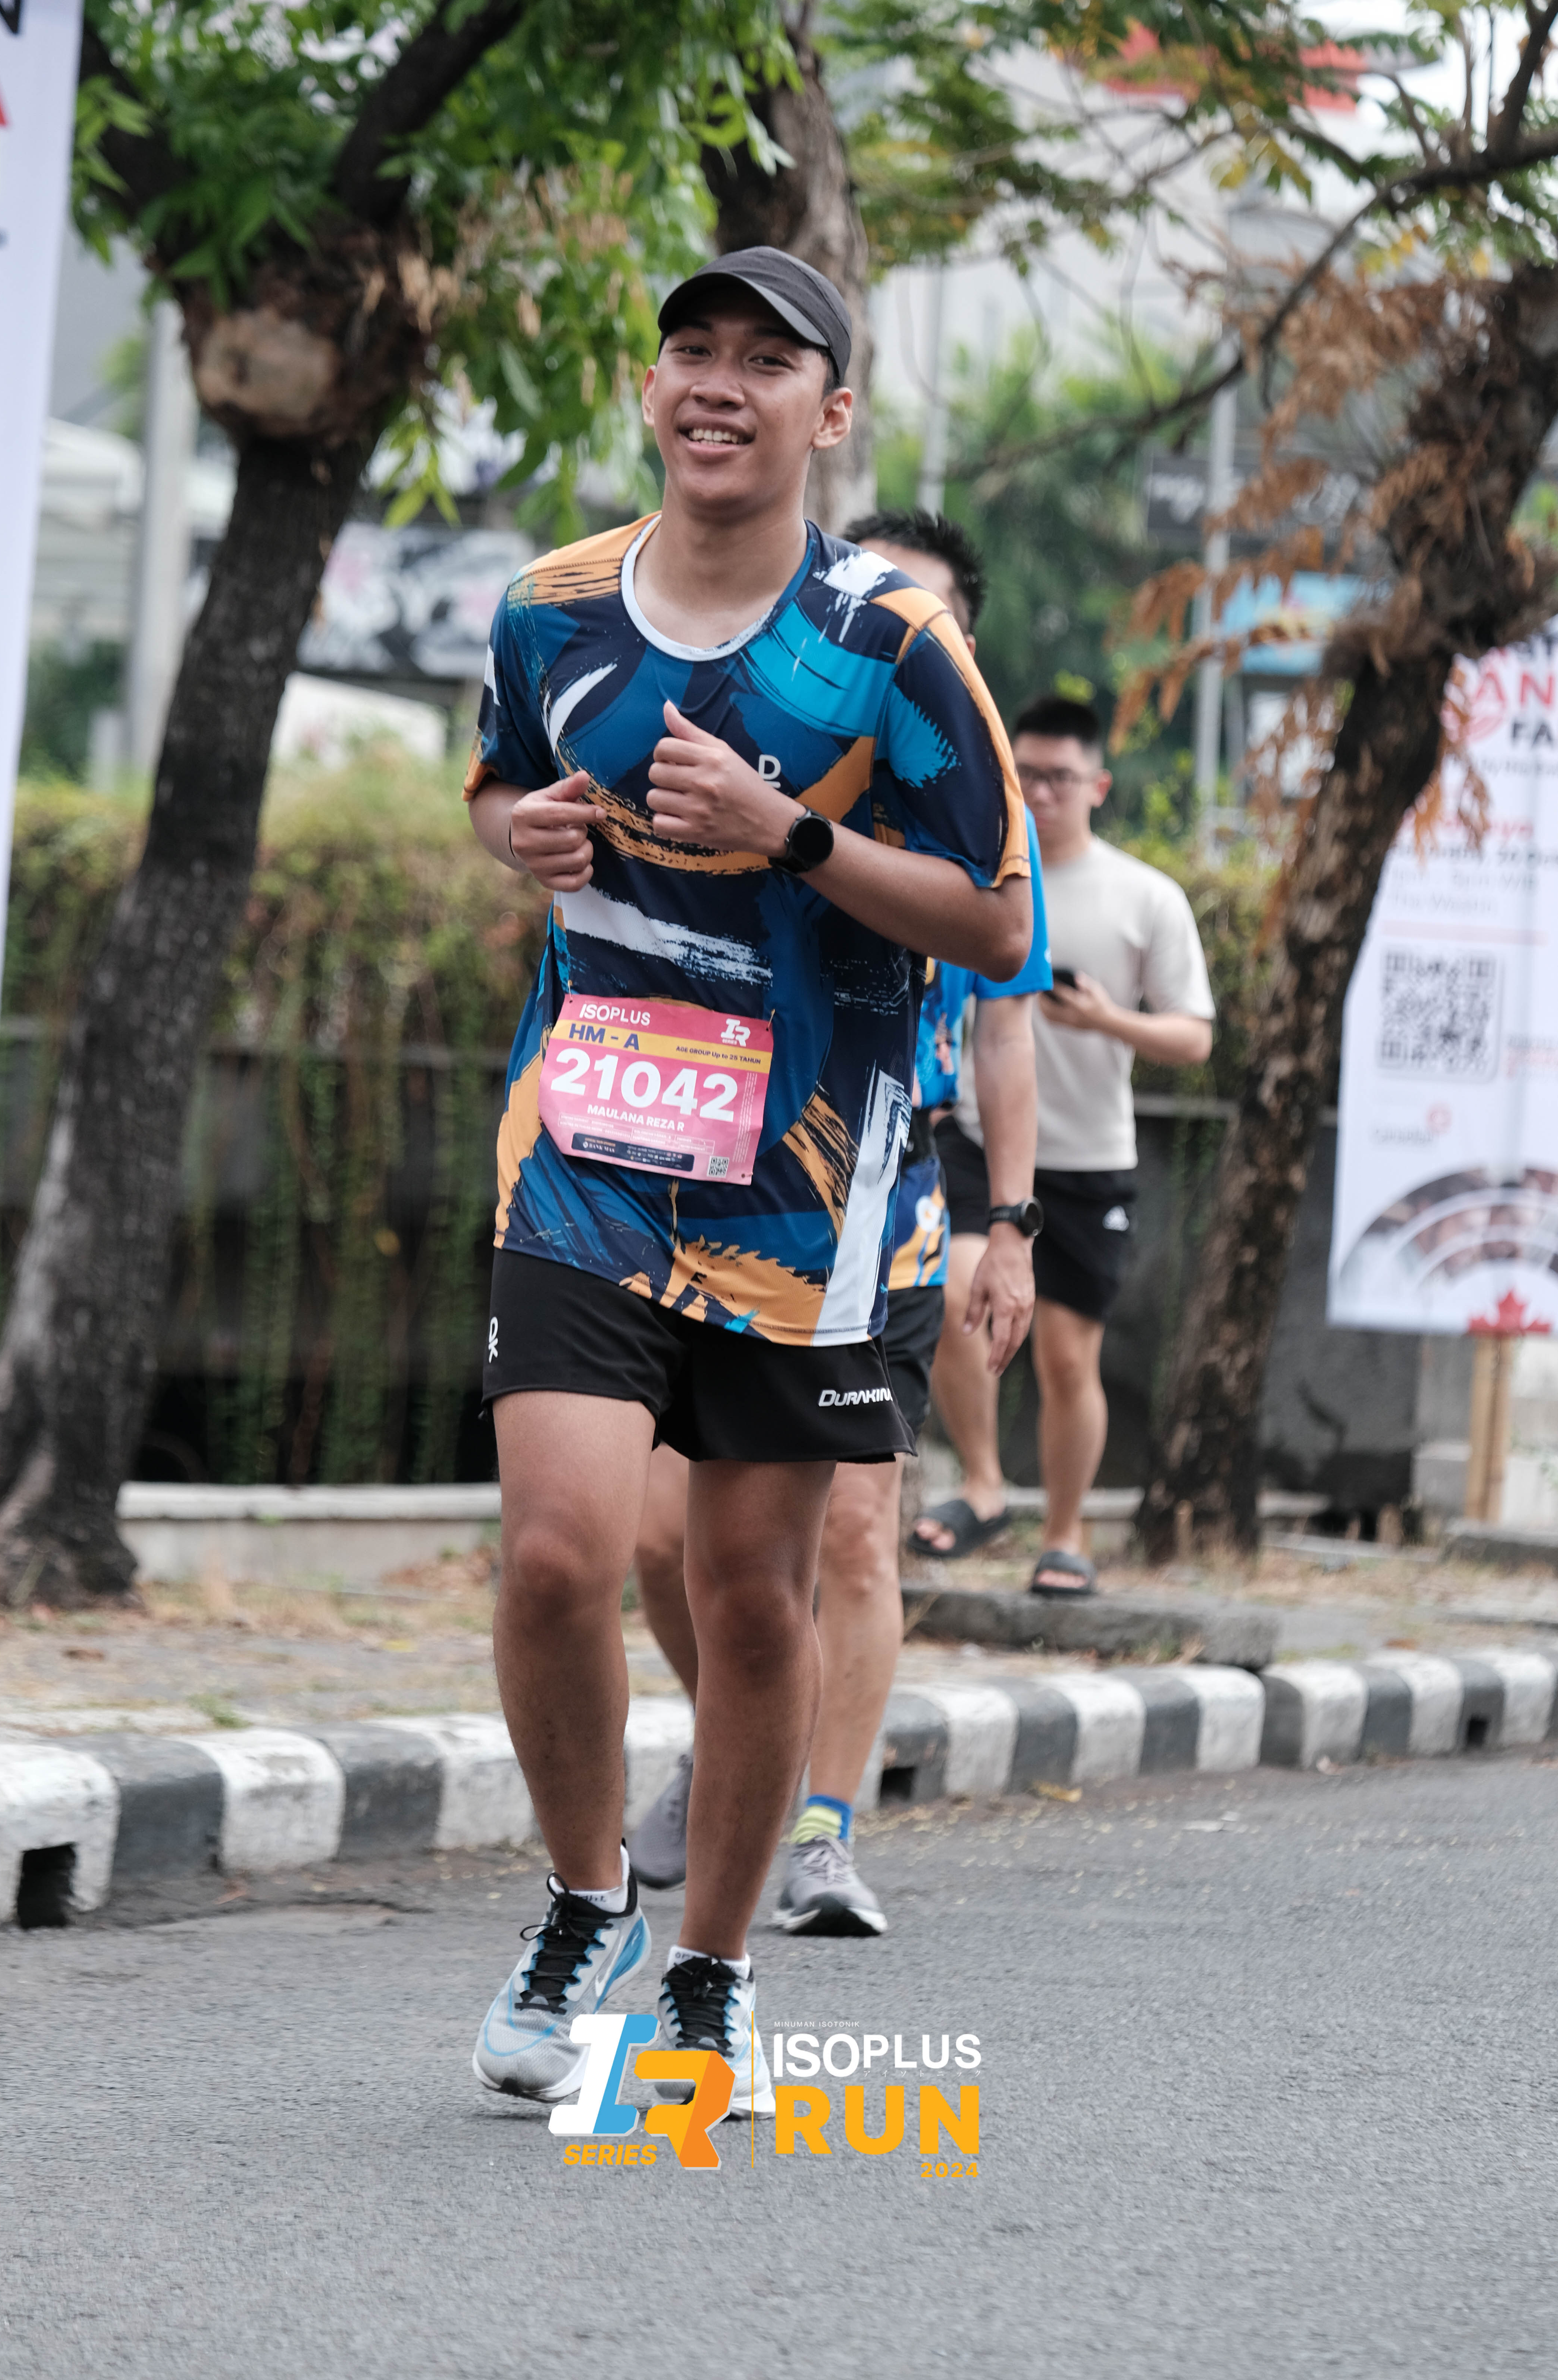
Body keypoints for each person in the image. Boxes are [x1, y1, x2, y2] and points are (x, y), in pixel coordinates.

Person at [462, 248, 1034, 2119]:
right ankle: (582, 1907)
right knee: (557, 1552)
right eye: (689, 352)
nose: (717, 383)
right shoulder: (550, 611)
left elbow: (995, 922)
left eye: (764, 361)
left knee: (751, 1590)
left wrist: (792, 835)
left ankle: (707, 1976)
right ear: (652, 393)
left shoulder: (890, 645)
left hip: (807, 1188)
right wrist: (522, 832)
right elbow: (497, 787)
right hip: (587, 1148)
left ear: (827, 412)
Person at [627, 509, 1048, 1937]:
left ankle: (819, 1828)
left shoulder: (981, 818)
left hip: (883, 1203)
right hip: (695, 1176)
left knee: (858, 1535)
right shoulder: (730, 756)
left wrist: (1013, 1223)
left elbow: (1004, 1032)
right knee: (655, 1540)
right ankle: (737, 1737)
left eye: (920, 622)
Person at [915, 694, 1214, 1595]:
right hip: (977, 1141)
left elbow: (1195, 1036)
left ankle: (1064, 1532)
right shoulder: (975, 876)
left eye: (1059, 777)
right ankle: (983, 1483)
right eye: (1025, 774)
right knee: (952, 1292)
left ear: (1099, 785)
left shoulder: (1145, 896)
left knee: (1065, 1357)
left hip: (1087, 1160)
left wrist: (1106, 1019)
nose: (1040, 792)